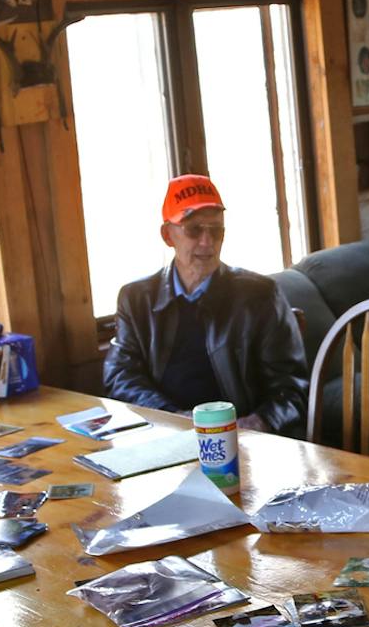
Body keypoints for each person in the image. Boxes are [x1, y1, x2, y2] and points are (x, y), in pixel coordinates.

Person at [103, 174, 309, 436]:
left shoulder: (259, 296)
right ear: (168, 235)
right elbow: (120, 377)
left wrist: (258, 423)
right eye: (194, 229)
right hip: (165, 435)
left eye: (216, 230)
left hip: (240, 437)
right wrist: (174, 419)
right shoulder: (136, 298)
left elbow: (292, 387)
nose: (206, 242)